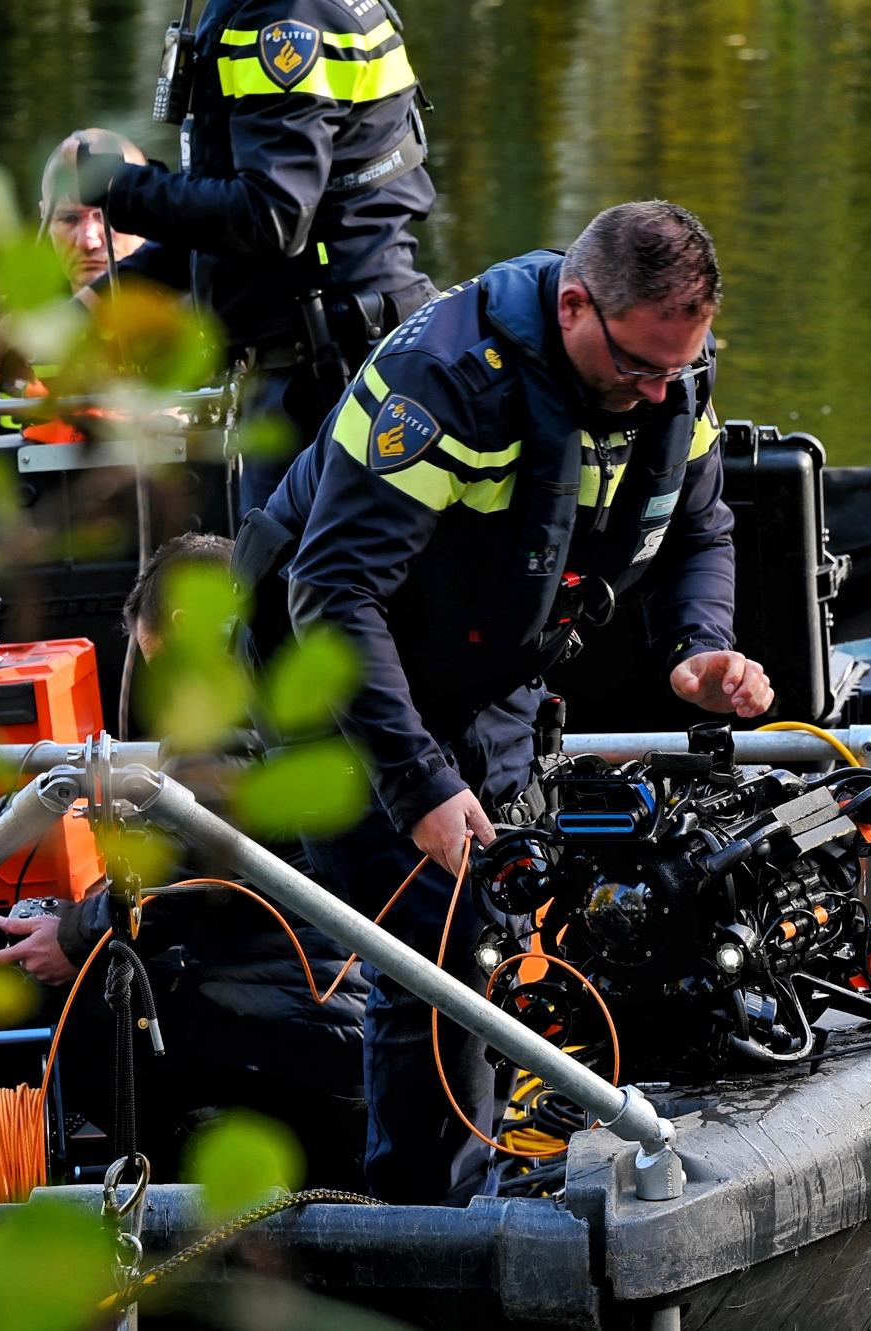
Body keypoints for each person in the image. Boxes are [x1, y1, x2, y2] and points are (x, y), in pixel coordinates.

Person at [237, 199, 774, 1203]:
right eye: (638, 369)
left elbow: (701, 529)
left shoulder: (664, 376)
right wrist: (419, 784)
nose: (660, 391)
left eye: (679, 367)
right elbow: (333, 593)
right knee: (431, 949)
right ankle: (423, 1219)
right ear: (574, 307)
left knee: (498, 922)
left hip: (485, 665)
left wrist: (699, 651)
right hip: (332, 676)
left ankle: (481, 1164)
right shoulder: (437, 382)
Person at [0, 532, 373, 1185]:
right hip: (352, 992)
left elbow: (189, 883)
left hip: (306, 1012)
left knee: (78, 1030)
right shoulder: (291, 666)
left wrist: (73, 936)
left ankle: (161, 1201)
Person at [72, 0, 438, 510]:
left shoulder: (285, 16)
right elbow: (238, 221)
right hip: (321, 359)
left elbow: (270, 218)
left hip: (326, 374)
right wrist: (90, 304)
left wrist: (121, 188)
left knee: (291, 584)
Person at [0, 128, 149, 401]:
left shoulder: (198, 317)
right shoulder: (1, 333)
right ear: (45, 220)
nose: (89, 240)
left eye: (110, 218)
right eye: (69, 220)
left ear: (148, 214)